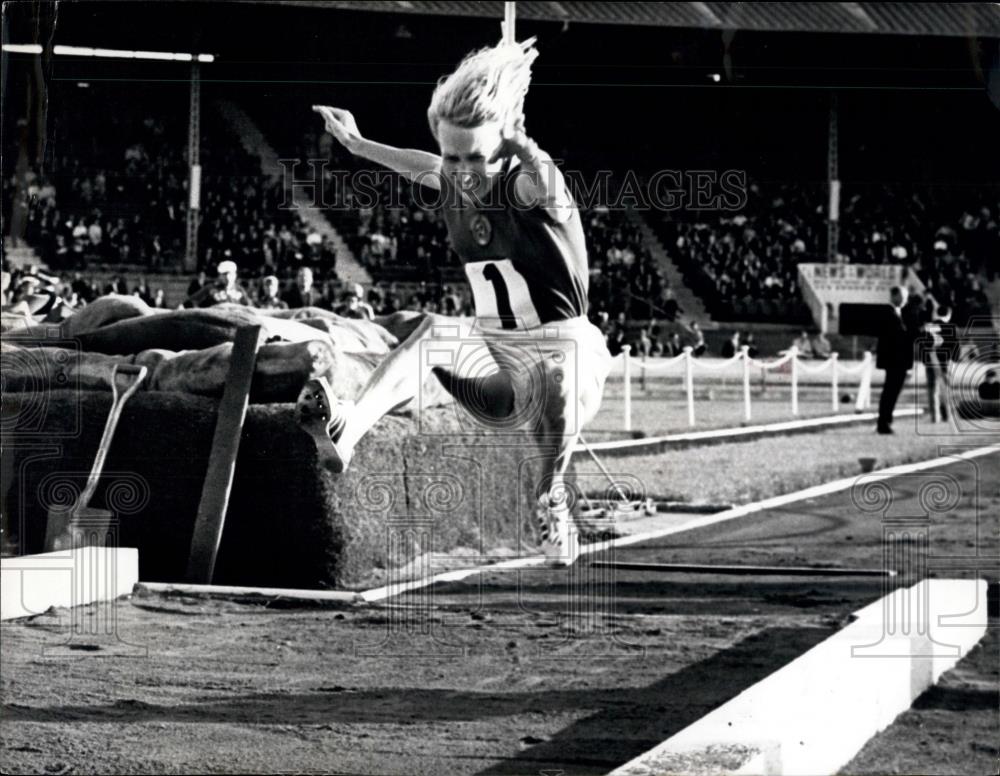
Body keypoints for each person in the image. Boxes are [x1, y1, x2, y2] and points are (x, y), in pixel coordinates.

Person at [305, 36, 611, 565]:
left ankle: (550, 498)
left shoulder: (530, 188)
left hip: (566, 352)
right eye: (453, 157)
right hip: (497, 362)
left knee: (560, 365)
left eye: (476, 158)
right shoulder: (451, 176)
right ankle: (347, 429)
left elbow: (551, 187)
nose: (462, 171)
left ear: (502, 149)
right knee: (433, 333)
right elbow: (419, 163)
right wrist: (358, 145)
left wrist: (519, 141)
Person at [875, 285, 917, 434]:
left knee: (893, 391)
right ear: (894, 296)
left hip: (899, 360)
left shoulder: (900, 313)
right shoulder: (887, 313)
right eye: (902, 297)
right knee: (890, 391)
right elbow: (896, 337)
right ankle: (883, 422)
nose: (905, 300)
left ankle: (886, 420)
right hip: (893, 360)